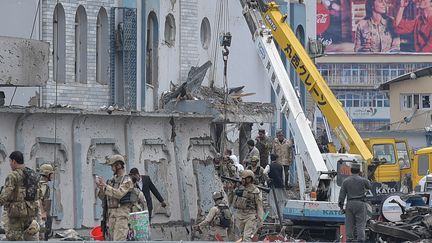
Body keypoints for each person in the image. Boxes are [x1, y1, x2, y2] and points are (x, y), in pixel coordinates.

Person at [0, 151, 40, 240]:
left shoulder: (13, 175)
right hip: (30, 212)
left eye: (10, 161)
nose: (10, 164)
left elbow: (5, 194)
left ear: (14, 161)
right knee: (29, 238)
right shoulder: (32, 173)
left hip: (16, 214)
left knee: (15, 238)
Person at [96, 154, 135, 241]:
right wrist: (101, 188)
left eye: (112, 166)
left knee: (119, 239)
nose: (111, 168)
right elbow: (103, 197)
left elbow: (119, 193)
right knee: (110, 239)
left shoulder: (127, 180)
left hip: (121, 214)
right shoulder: (111, 181)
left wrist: (105, 186)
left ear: (118, 165)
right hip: (111, 215)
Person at [338, 163, 371, 242]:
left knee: (349, 224)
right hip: (360, 204)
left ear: (351, 170)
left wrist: (341, 207)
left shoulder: (346, 181)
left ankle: (349, 240)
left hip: (350, 204)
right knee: (360, 224)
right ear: (359, 171)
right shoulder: (363, 180)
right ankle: (360, 240)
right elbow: (369, 186)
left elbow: (341, 196)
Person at [230, 170, 264, 241]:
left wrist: (261, 220)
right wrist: (231, 190)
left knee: (246, 237)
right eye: (242, 178)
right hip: (239, 214)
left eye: (244, 179)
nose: (242, 180)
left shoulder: (255, 191)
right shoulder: (238, 188)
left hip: (250, 215)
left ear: (249, 179)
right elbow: (230, 201)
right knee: (237, 237)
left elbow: (259, 206)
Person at [264, 154, 288, 218]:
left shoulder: (269, 166)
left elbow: (264, 172)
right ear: (276, 159)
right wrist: (283, 185)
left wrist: (268, 180)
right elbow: (283, 177)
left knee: (272, 201)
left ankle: (275, 215)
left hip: (272, 186)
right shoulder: (281, 166)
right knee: (281, 201)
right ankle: (281, 215)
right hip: (280, 186)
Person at [38, 163, 54, 240]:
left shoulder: (39, 183)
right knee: (43, 234)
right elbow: (39, 199)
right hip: (41, 213)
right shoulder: (43, 185)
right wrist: (43, 213)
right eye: (51, 174)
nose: (52, 176)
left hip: (40, 212)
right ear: (47, 174)